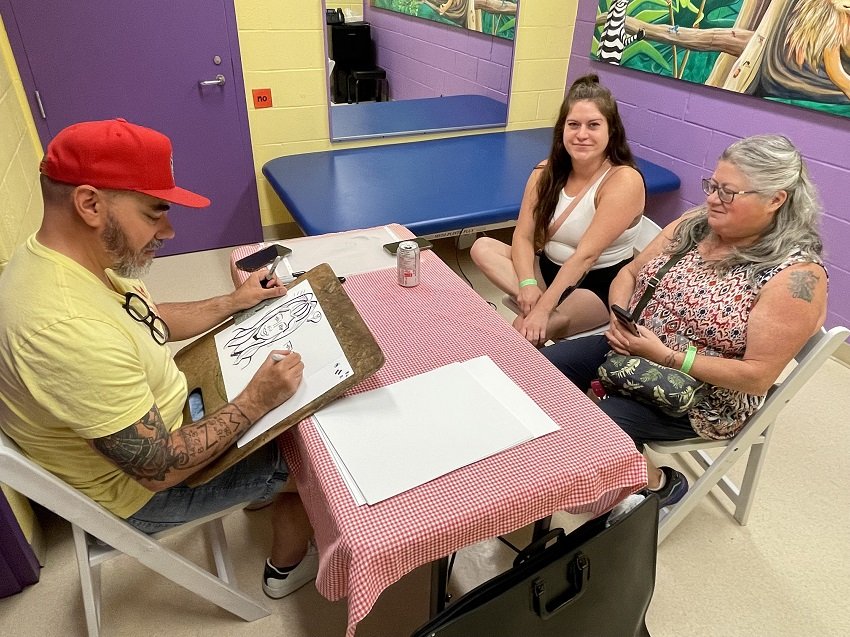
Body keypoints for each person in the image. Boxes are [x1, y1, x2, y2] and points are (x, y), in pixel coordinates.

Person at [0, 118, 317, 599]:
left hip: (169, 417)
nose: (168, 231)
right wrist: (256, 400)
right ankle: (284, 568)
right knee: (316, 464)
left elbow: (143, 321)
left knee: (290, 399)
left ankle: (260, 485)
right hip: (148, 490)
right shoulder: (64, 328)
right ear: (89, 203)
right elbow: (158, 469)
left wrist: (233, 303)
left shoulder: (61, 262)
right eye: (154, 212)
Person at [541, 134, 828, 507]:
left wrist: (669, 357)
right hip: (634, 346)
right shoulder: (698, 224)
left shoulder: (795, 276)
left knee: (594, 431)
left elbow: (758, 376)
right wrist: (619, 316)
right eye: (713, 186)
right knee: (536, 374)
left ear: (775, 200)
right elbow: (629, 273)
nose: (712, 199)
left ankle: (660, 484)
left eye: (728, 192)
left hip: (700, 396)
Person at [470, 74, 646, 346]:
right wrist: (528, 284)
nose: (582, 134)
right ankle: (539, 300)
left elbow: (586, 257)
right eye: (573, 125)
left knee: (527, 330)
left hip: (594, 284)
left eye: (593, 125)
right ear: (561, 129)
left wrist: (541, 312)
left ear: (611, 131)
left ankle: (540, 321)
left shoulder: (623, 181)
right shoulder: (545, 171)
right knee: (481, 248)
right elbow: (524, 236)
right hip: (548, 268)